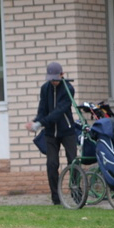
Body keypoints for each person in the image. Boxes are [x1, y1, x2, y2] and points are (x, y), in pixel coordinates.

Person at [26, 61, 76, 205]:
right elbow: (43, 110)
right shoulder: (45, 89)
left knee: (72, 161)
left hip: (67, 131)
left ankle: (76, 192)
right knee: (52, 164)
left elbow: (58, 112)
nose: (54, 81)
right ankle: (56, 198)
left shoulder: (69, 89)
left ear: (62, 75)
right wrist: (35, 121)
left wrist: (40, 124)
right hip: (50, 133)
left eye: (56, 78)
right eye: (51, 79)